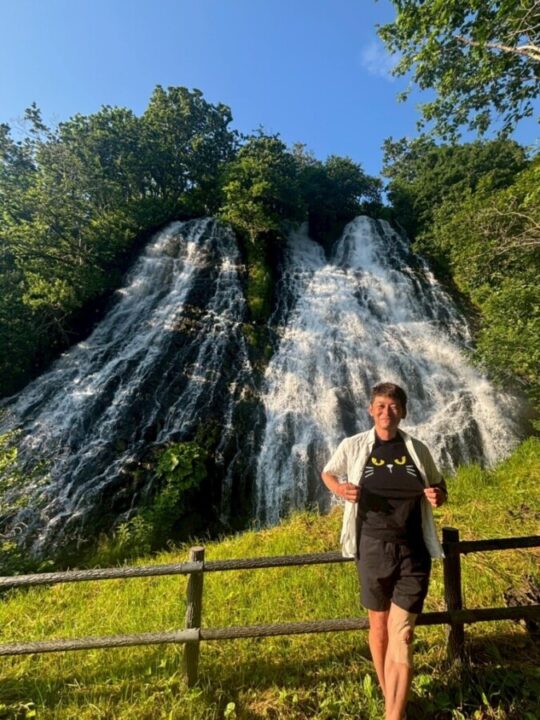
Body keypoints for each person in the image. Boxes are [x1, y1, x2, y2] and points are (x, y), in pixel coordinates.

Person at [321, 382, 447, 720]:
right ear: (370, 409)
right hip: (372, 546)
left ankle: (393, 714)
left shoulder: (417, 449)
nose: (386, 412)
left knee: (402, 634)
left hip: (413, 550)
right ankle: (390, 697)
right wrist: (340, 490)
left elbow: (439, 483)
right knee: (378, 627)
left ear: (403, 411)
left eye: (393, 406)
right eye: (380, 405)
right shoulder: (353, 445)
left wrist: (438, 495)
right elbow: (328, 473)